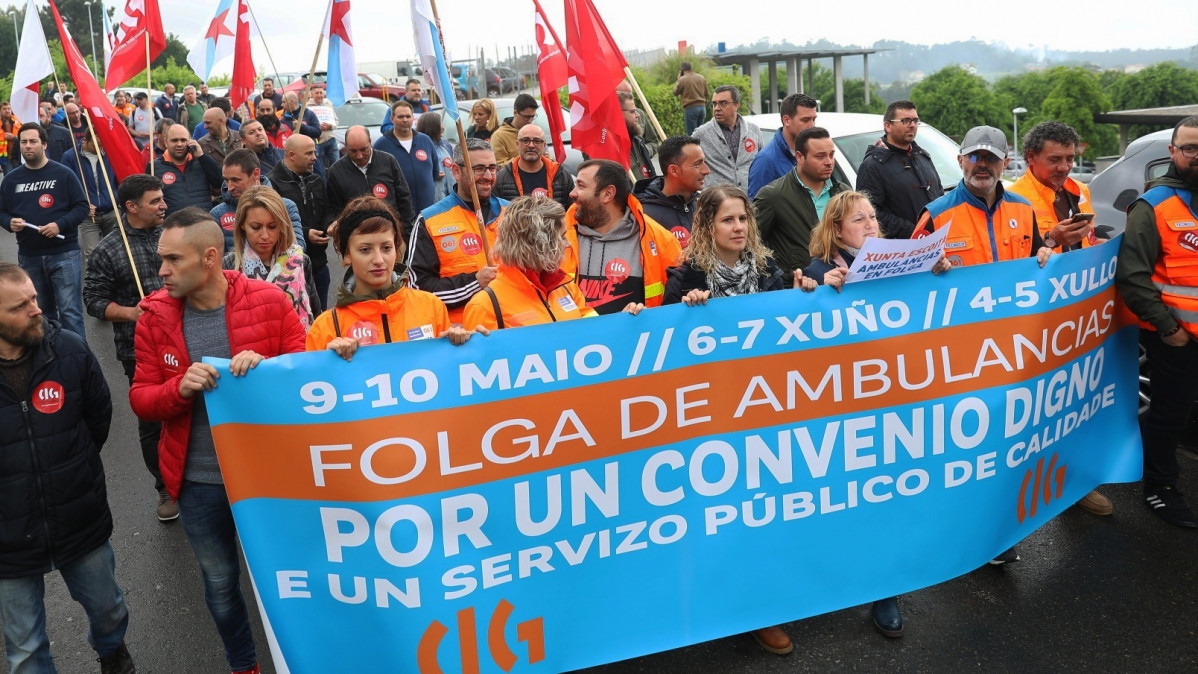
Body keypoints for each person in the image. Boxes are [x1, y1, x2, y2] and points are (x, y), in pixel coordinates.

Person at [130, 208, 305, 674]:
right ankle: (243, 664)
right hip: (199, 481)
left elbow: (306, 381)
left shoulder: (270, 301)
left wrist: (264, 371)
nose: (161, 270)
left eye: (171, 259)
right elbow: (142, 400)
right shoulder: (153, 316)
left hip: (269, 478)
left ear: (209, 258)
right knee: (222, 584)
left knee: (289, 579)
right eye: (160, 260)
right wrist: (177, 389)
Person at [912, 126, 1053, 564]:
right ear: (960, 162)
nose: (982, 165)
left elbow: (1034, 266)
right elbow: (903, 284)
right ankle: (959, 533)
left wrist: (1048, 259)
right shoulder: (935, 214)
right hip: (958, 358)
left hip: (1012, 352)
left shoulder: (1025, 211)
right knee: (964, 451)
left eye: (991, 158)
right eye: (974, 157)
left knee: (1004, 446)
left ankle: (994, 533)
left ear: (1005, 163)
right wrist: (926, 269)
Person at [0, 262, 136, 674]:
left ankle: (111, 650)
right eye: (20, 307)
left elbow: (98, 419)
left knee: (109, 610)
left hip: (79, 516)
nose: (37, 310)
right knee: (24, 650)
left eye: (35, 299)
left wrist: (71, 468)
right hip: (8, 539)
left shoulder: (71, 350)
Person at [1008, 120, 1114, 517]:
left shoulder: (1079, 191)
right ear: (1031, 157)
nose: (1065, 167)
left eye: (1070, 159)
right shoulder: (1015, 198)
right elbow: (1008, 266)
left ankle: (1074, 483)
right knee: (1037, 410)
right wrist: (1051, 240)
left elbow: (1084, 244)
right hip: (1034, 321)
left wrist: (1094, 245)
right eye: (1055, 159)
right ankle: (1027, 490)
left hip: (1077, 317)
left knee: (1076, 402)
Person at [1116, 115, 1198, 528]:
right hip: (1175, 339)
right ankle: (1159, 488)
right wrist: (1169, 330)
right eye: (1190, 148)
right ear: (1173, 152)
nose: (1197, 155)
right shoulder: (1154, 205)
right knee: (1170, 416)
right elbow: (1133, 276)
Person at [82, 174, 174, 521]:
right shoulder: (109, 247)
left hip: (185, 339)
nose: (163, 205)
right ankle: (165, 488)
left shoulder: (174, 235)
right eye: (155, 201)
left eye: (162, 198)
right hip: (139, 350)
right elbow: (92, 300)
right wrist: (131, 313)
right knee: (153, 422)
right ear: (131, 207)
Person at [307, 197, 474, 356]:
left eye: (386, 248)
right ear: (347, 254)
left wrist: (469, 346)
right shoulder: (325, 328)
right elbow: (313, 381)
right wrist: (328, 362)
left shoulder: (432, 307)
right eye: (365, 250)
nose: (379, 260)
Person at [0, 123, 90, 338]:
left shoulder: (63, 174)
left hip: (64, 254)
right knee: (42, 314)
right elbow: (1, 211)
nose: (28, 146)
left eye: (33, 141)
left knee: (70, 314)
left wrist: (60, 224)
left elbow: (82, 207)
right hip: (30, 257)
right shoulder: (11, 180)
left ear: (44, 144)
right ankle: (50, 360)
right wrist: (8, 222)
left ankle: (78, 363)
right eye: (24, 142)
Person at [406, 138, 506, 323]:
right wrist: (474, 283)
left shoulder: (512, 213)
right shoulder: (429, 220)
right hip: (462, 333)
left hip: (512, 327)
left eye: (492, 168)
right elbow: (417, 289)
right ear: (456, 171)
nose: (488, 176)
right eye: (478, 169)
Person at [564, 159, 682, 314]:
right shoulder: (561, 239)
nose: (572, 193)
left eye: (581, 186)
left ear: (607, 194)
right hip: (576, 337)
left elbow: (676, 301)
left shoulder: (661, 240)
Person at [463, 194, 597, 330]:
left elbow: (594, 330)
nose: (567, 244)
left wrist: (617, 324)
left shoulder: (567, 287)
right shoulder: (486, 305)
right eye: (561, 238)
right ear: (537, 244)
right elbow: (484, 350)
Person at [663, 184, 787, 305]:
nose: (739, 227)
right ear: (707, 226)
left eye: (743, 218)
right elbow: (668, 324)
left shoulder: (767, 269)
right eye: (728, 220)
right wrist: (686, 311)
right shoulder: (682, 282)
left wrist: (798, 296)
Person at [755, 126, 850, 285]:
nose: (828, 162)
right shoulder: (773, 196)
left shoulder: (843, 193)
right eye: (820, 156)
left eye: (831, 155)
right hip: (798, 290)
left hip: (842, 286)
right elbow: (751, 244)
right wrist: (779, 276)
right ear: (799, 157)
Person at [804, 190, 951, 286]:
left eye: (873, 217)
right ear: (837, 230)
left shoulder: (895, 258)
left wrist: (933, 272)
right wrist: (824, 291)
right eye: (859, 220)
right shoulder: (818, 272)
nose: (870, 225)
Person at [221, 185, 318, 324]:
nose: (265, 235)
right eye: (256, 227)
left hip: (299, 342)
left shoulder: (300, 260)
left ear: (282, 225)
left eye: (272, 226)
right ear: (241, 225)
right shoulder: (229, 266)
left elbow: (315, 310)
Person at [855, 100, 945, 239]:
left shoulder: (922, 156)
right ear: (888, 126)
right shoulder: (872, 165)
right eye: (905, 121)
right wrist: (915, 231)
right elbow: (870, 213)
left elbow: (939, 195)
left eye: (915, 120)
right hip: (900, 251)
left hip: (935, 243)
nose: (912, 125)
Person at [270, 135, 335, 309]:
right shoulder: (272, 184)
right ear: (291, 155)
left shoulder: (316, 179)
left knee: (321, 317)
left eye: (314, 152)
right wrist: (306, 234)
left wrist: (330, 224)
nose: (315, 157)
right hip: (290, 269)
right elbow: (276, 222)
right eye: (309, 153)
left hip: (319, 265)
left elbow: (327, 210)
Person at [211, 148, 305, 253]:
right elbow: (217, 259)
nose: (230, 187)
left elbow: (298, 248)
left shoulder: (286, 206)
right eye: (226, 180)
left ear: (256, 174)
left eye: (236, 180)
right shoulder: (217, 214)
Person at [326, 125, 416, 232]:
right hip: (357, 236)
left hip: (391, 232)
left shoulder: (388, 161)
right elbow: (333, 209)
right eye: (353, 151)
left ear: (370, 142)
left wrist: (407, 232)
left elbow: (404, 199)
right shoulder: (336, 171)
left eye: (364, 150)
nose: (359, 156)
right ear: (346, 146)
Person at [634, 135, 710, 247]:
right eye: (697, 164)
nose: (706, 170)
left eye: (704, 162)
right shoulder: (643, 216)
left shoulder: (705, 207)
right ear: (674, 170)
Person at [62, 134, 119, 269]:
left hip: (112, 212)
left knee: (115, 253)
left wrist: (116, 201)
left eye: (102, 146)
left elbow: (118, 180)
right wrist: (82, 205)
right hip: (88, 216)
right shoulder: (70, 157)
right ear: (85, 141)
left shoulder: (109, 153)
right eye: (96, 146)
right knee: (92, 256)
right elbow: (66, 186)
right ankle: (95, 288)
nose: (100, 149)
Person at [373, 100, 439, 213]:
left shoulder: (425, 140)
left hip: (428, 211)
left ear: (413, 118)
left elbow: (435, 171)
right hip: (399, 212)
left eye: (408, 116)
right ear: (391, 118)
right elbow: (376, 179)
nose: (405, 120)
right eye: (400, 117)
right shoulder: (381, 145)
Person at [747, 93, 818, 197]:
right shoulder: (766, 160)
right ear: (787, 120)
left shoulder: (812, 152)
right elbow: (756, 208)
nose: (812, 125)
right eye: (805, 120)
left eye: (813, 119)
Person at [694, 85, 762, 191]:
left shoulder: (754, 131)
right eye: (714, 104)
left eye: (723, 103)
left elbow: (762, 163)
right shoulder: (701, 134)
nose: (717, 108)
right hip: (717, 203)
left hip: (750, 201)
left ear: (736, 105)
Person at [494, 124, 575, 210]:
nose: (531, 145)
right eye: (525, 140)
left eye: (537, 141)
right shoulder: (502, 178)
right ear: (517, 144)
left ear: (544, 146)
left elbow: (572, 211)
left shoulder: (561, 175)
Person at [151, 123, 223, 216]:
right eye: (174, 140)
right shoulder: (154, 166)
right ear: (166, 142)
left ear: (190, 141)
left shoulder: (202, 162)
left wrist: (202, 157)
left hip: (203, 223)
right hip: (172, 225)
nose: (179, 144)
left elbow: (220, 183)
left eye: (183, 140)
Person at [416, 110, 457, 201]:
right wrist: (432, 174)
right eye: (439, 124)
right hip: (433, 199)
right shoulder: (419, 148)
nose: (443, 127)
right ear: (430, 127)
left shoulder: (446, 146)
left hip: (451, 198)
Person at [491, 93, 539, 165]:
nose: (530, 121)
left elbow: (546, 158)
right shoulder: (499, 136)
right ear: (515, 113)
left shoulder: (536, 132)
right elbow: (498, 166)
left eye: (533, 117)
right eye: (527, 117)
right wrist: (525, 159)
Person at [620, 91, 658, 182]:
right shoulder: (610, 149)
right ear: (618, 114)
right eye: (632, 111)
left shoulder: (638, 141)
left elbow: (654, 142)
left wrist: (645, 151)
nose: (638, 115)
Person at [617, 79, 659, 158]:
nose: (629, 98)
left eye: (630, 94)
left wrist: (644, 151)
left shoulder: (640, 114)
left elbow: (653, 142)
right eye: (622, 95)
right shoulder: (604, 123)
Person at [306, 87, 340, 171]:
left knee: (337, 165)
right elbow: (305, 125)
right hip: (317, 142)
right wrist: (316, 127)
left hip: (331, 139)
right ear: (312, 94)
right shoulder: (307, 107)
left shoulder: (328, 104)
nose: (319, 95)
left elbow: (336, 121)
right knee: (319, 168)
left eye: (321, 93)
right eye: (317, 93)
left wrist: (330, 126)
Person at [674, 61, 709, 136]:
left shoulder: (682, 79)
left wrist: (678, 80)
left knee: (692, 135)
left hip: (691, 108)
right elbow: (707, 94)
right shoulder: (701, 77)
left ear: (682, 70)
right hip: (702, 108)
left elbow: (675, 92)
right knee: (701, 134)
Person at [0, 101, 20, 174]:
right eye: (4, 109)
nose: (7, 110)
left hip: (18, 154)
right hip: (5, 157)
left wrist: (14, 137)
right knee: (10, 178)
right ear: (0, 111)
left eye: (9, 108)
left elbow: (23, 135)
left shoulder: (18, 121)